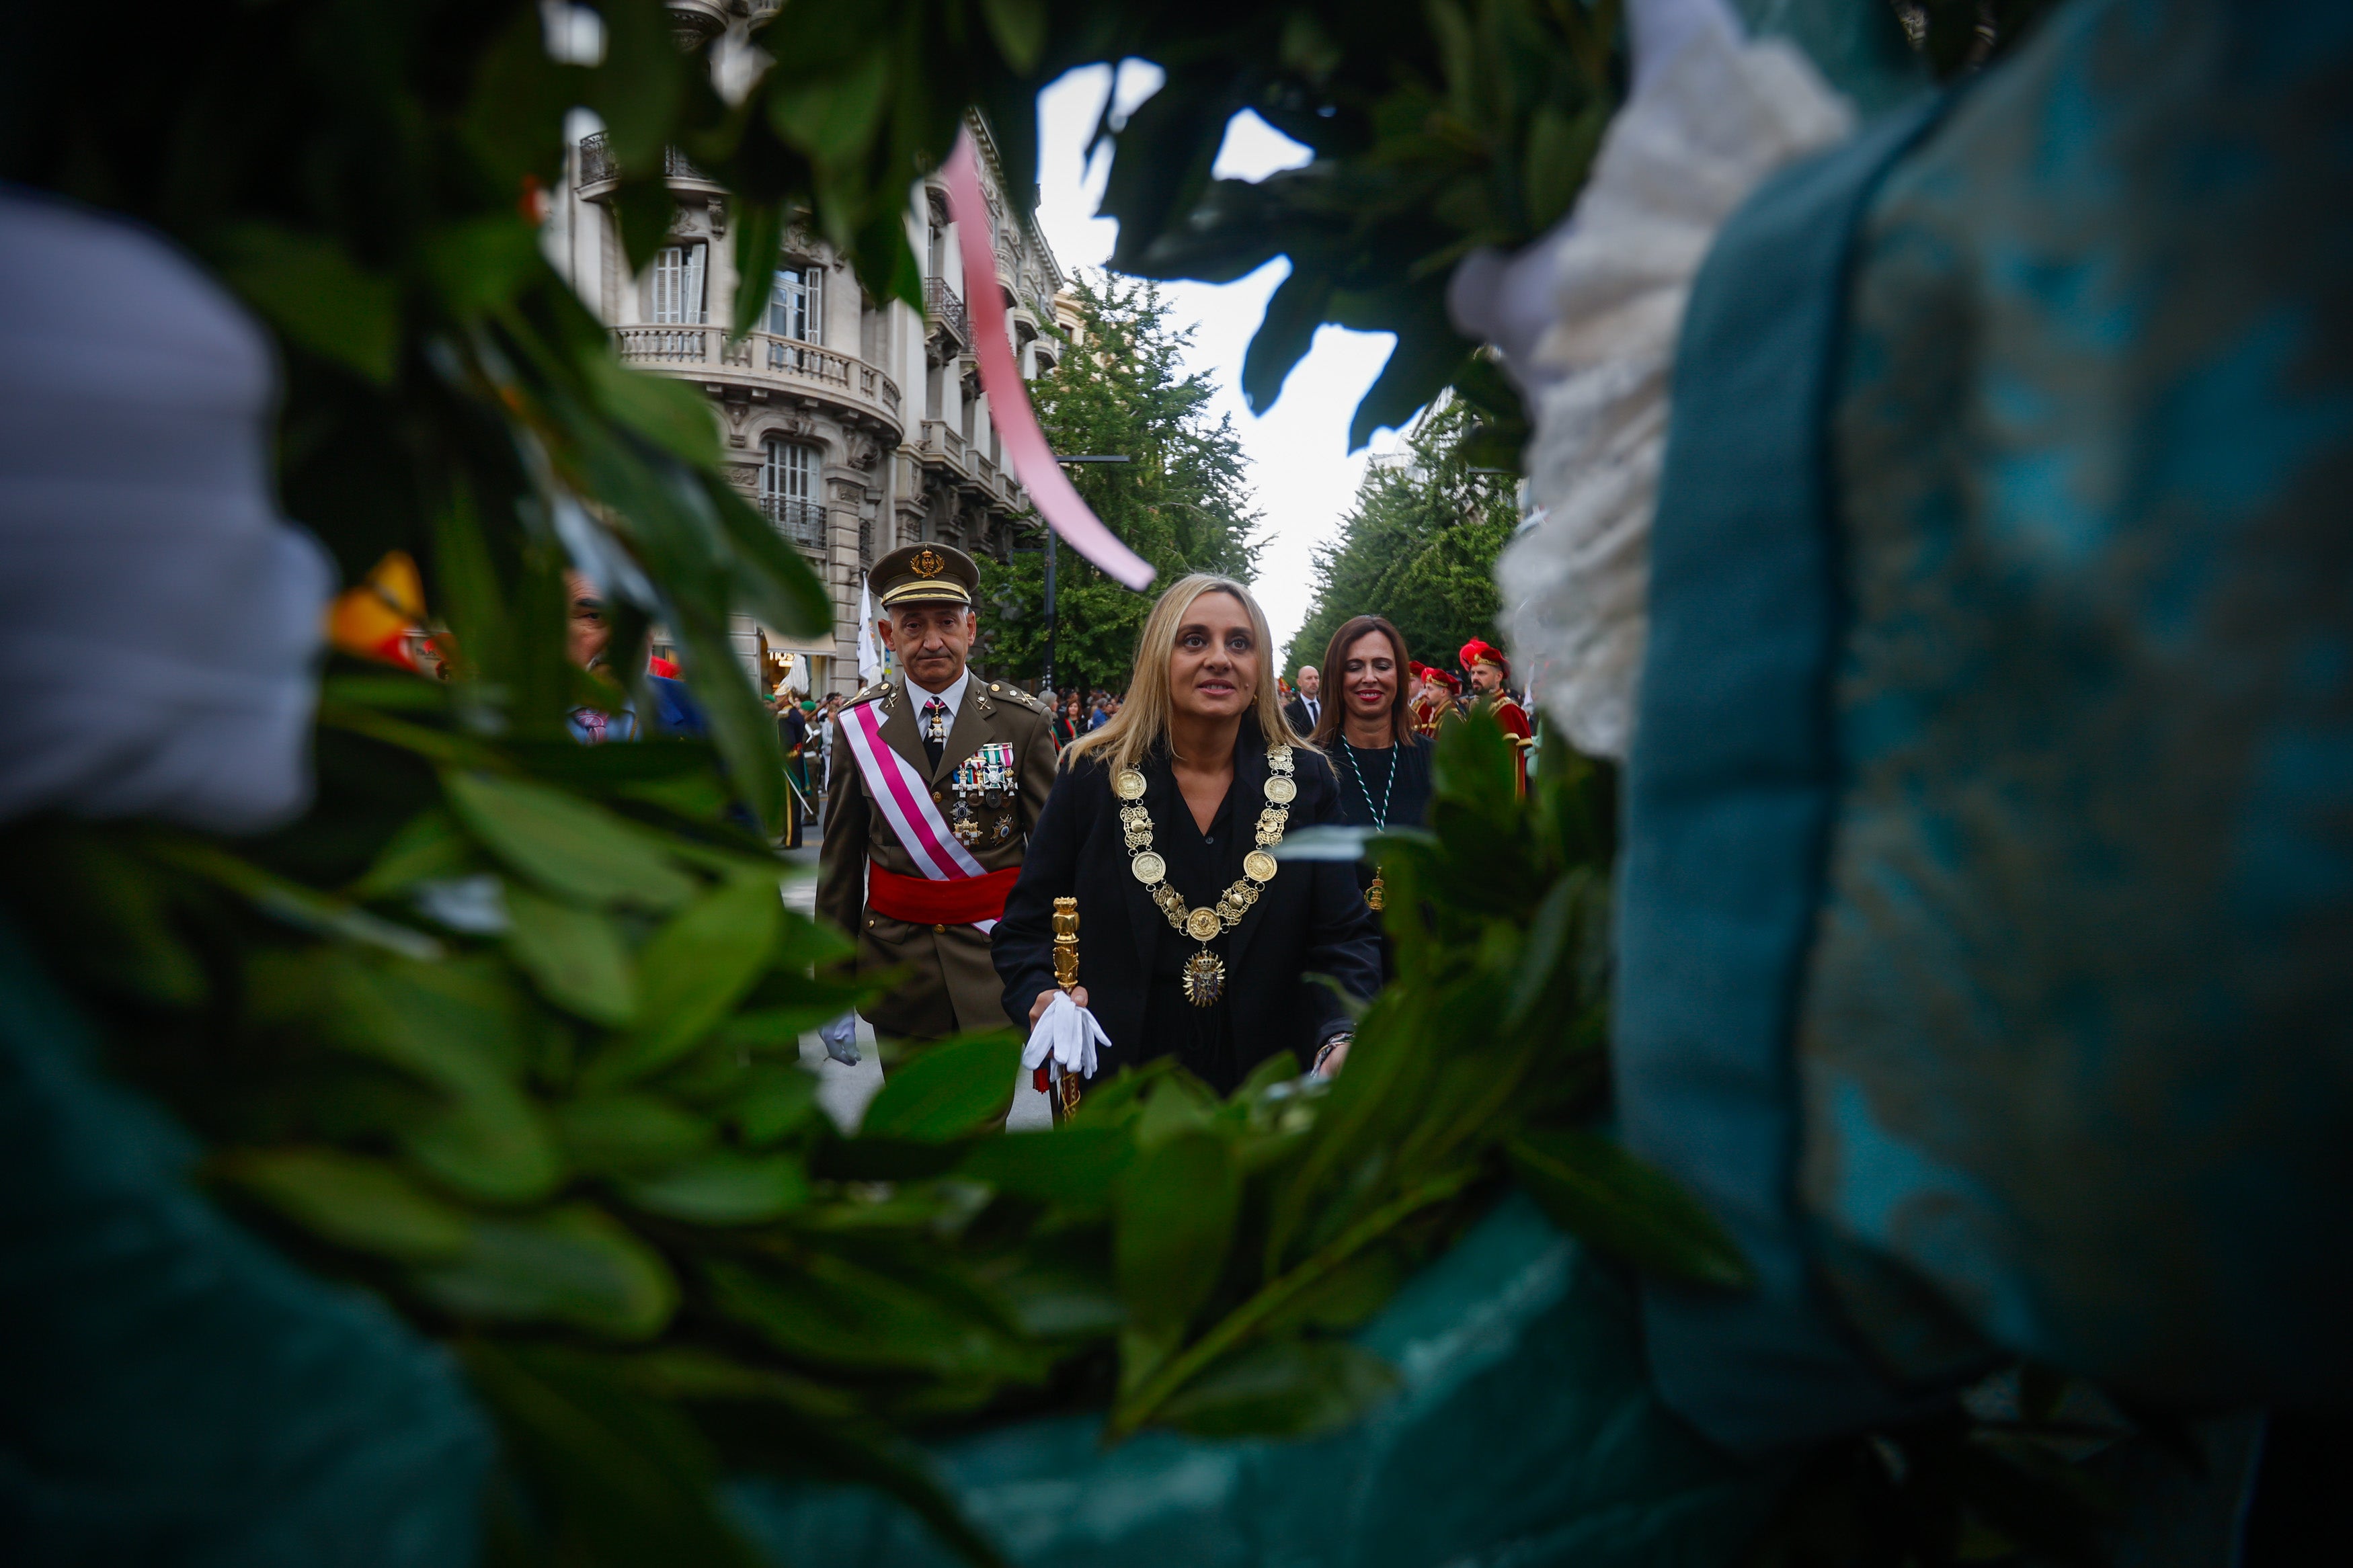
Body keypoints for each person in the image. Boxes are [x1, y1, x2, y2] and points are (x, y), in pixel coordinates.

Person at [994, 575, 1382, 1094]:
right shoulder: (1089, 774)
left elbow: (1344, 937)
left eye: (1239, 643)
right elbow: (1024, 929)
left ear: (1259, 668)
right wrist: (1040, 994)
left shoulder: (1308, 783)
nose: (1220, 658)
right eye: (1194, 639)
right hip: (1123, 1093)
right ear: (1160, 657)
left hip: (1267, 1095)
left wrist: (1341, 1032)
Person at [814, 544, 1059, 1055]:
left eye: (947, 622)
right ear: (887, 635)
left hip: (997, 966)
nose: (932, 642)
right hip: (898, 972)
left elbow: (1057, 858)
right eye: (913, 625)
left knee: (981, 1130)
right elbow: (839, 863)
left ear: (970, 630)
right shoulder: (858, 727)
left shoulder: (1023, 722)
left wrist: (1064, 968)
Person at [1308, 616, 1433, 927]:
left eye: (1382, 665)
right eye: (1354, 667)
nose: (1369, 678)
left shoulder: (1437, 762)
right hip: (1337, 958)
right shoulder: (1306, 768)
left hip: (1422, 955)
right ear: (1335, 677)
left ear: (1399, 675)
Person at [1460, 638, 1534, 793]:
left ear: (1498, 677)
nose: (1475, 678)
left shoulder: (1508, 711)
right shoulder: (1478, 710)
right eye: (1473, 673)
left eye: (1481, 673)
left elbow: (1503, 768)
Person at [774, 695, 809, 848]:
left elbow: (786, 742)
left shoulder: (785, 716)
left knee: (789, 804)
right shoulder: (796, 714)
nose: (776, 699)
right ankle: (793, 838)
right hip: (797, 760)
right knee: (794, 803)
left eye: (778, 696)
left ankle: (791, 839)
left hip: (788, 762)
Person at [1411, 662, 1462, 737]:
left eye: (1430, 689)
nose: (1425, 693)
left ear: (1443, 692)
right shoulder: (1438, 716)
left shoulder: (1452, 719)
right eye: (1425, 688)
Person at [1282, 663, 1323, 736]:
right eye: (1309, 678)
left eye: (1316, 678)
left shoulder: (1327, 706)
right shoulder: (1290, 710)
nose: (1314, 682)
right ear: (1299, 682)